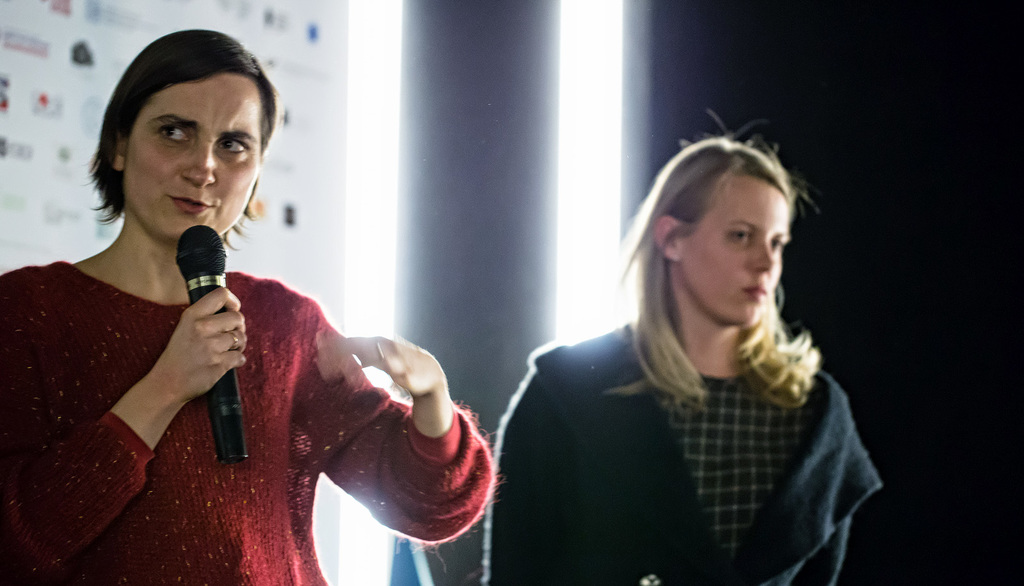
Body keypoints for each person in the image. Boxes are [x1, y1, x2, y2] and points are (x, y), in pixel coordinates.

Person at [0, 29, 493, 585]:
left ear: (257, 168)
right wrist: (163, 389)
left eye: (233, 144)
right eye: (174, 132)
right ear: (118, 144)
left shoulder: (286, 325)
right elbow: (14, 543)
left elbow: (427, 507)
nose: (203, 167)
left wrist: (432, 399)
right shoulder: (26, 314)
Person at [483, 136, 881, 585]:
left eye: (777, 242)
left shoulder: (813, 412)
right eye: (741, 236)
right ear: (671, 238)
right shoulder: (566, 391)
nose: (766, 263)